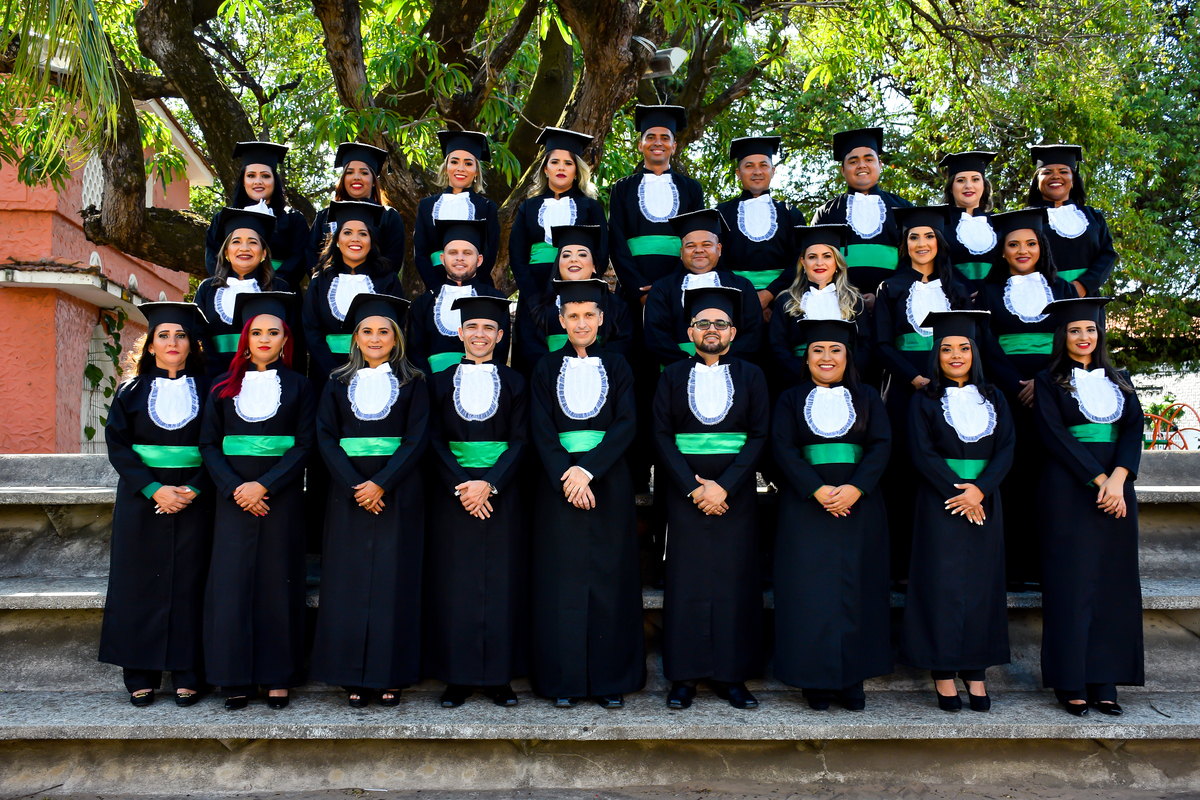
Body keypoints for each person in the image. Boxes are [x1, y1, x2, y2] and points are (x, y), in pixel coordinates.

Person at [528, 279, 644, 708]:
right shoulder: (544, 367)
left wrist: (588, 470)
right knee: (561, 580)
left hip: (607, 480)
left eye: (589, 315)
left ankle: (610, 679)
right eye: (573, 316)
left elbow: (627, 423)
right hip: (558, 483)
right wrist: (567, 473)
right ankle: (564, 680)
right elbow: (540, 427)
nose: (581, 323)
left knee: (610, 578)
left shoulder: (619, 365)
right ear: (561, 320)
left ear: (601, 319)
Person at [652, 286, 769, 710]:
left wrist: (726, 485)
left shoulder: (752, 375)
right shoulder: (671, 375)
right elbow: (661, 435)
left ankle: (732, 676)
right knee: (687, 582)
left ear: (733, 332)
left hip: (735, 493)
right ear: (690, 332)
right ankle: (684, 677)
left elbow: (759, 435)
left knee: (735, 581)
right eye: (703, 323)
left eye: (721, 323)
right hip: (685, 493)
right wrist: (694, 486)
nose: (712, 329)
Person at [310, 293, 428, 707]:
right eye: (367, 332)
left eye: (384, 332)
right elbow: (325, 436)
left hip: (398, 492)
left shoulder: (415, 382)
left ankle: (389, 674)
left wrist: (382, 483)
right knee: (349, 581)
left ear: (396, 338)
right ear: (355, 338)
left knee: (394, 582)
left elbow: (417, 438)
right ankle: (351, 675)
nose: (375, 338)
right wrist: (355, 485)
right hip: (348, 494)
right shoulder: (336, 382)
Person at [199, 291, 315, 710]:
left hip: (280, 498)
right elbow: (209, 444)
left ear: (286, 339)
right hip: (232, 499)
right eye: (257, 332)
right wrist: (236, 488)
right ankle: (234, 677)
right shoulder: (221, 387)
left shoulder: (301, 387)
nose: (265, 339)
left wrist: (264, 486)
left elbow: (304, 445)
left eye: (274, 332)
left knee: (277, 584)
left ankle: (277, 676)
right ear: (245, 338)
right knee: (232, 585)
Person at [771, 318, 892, 711]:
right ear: (806, 358)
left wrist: (856, 488)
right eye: (818, 350)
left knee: (858, 589)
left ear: (847, 356)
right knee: (810, 593)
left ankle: (852, 678)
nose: (827, 357)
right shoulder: (789, 399)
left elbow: (881, 445)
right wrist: (816, 488)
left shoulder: (868, 397)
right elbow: (782, 448)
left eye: (835, 350)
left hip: (860, 507)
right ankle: (815, 680)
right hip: (806, 507)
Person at [898, 310, 1015, 713]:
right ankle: (944, 670)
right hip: (940, 500)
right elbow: (921, 452)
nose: (955, 355)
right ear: (936, 355)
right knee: (941, 585)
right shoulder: (923, 399)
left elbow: (1006, 448)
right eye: (946, 349)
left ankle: (975, 670)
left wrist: (980, 490)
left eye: (963, 348)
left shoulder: (995, 397)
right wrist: (959, 493)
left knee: (982, 587)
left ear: (974, 353)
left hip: (985, 500)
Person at [99, 302, 213, 708]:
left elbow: (219, 445)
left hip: (196, 500)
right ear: (150, 345)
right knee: (138, 583)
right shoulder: (129, 392)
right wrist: (154, 489)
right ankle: (139, 673)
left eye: (181, 335)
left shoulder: (211, 391)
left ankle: (188, 672)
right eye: (163, 335)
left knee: (191, 583)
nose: (172, 342)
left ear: (192, 344)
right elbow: (118, 446)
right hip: (142, 500)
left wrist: (194, 488)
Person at [1034, 297, 1143, 716]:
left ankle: (1105, 679)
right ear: (1063, 336)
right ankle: (1071, 680)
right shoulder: (1048, 381)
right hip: (1068, 491)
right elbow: (1054, 435)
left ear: (1100, 334)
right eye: (1075, 330)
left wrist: (1119, 479)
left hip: (1117, 493)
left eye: (1090, 330)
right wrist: (1100, 480)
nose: (1084, 337)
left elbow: (1132, 430)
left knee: (1114, 585)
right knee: (1071, 584)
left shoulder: (1122, 380)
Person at [424, 295, 530, 708]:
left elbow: (521, 440)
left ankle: (499, 677)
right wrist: (463, 484)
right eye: (472, 327)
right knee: (456, 584)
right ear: (460, 333)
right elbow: (432, 440)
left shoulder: (517, 382)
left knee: (502, 583)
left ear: (500, 336)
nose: (479, 334)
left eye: (488, 328)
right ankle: (458, 677)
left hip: (503, 493)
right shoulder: (437, 382)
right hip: (453, 495)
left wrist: (489, 483)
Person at [872, 205, 973, 583]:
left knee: (944, 468)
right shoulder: (890, 287)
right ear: (905, 244)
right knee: (901, 473)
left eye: (929, 236)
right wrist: (914, 378)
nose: (921, 243)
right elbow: (882, 344)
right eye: (913, 237)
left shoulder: (960, 288)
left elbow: (971, 343)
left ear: (940, 242)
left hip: (952, 389)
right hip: (903, 389)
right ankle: (900, 567)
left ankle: (942, 563)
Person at [607, 105, 704, 495]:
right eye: (651, 137)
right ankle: (634, 474)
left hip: (680, 295)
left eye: (665, 137)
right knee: (637, 381)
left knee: (672, 379)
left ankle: (672, 475)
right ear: (641, 144)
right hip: (633, 298)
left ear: (674, 145)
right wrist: (639, 288)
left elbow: (695, 243)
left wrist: (665, 291)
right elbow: (617, 242)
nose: (658, 143)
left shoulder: (691, 189)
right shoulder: (622, 188)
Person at [976, 209, 1075, 590]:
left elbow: (1074, 340)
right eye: (1013, 244)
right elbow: (985, 346)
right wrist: (1016, 384)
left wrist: (1044, 381)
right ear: (1001, 251)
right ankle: (1013, 569)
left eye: (1030, 244)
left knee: (1051, 479)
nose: (1022, 251)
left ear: (1042, 247)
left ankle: (1046, 567)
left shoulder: (1063, 291)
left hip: (1054, 393)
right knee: (1013, 479)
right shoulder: (987, 294)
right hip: (1007, 395)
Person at [509, 127, 608, 374]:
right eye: (555, 162)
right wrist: (534, 299)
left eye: (568, 163)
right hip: (534, 289)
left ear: (577, 170)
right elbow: (517, 256)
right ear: (545, 168)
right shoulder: (528, 207)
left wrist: (581, 290)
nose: (561, 168)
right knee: (532, 354)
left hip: (578, 290)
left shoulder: (591, 208)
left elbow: (601, 253)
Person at [304, 200, 405, 393]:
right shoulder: (320, 281)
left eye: (363, 234)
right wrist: (334, 373)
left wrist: (372, 368)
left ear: (371, 240)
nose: (355, 239)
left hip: (376, 372)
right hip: (326, 374)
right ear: (337, 239)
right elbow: (311, 329)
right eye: (347, 232)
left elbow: (396, 326)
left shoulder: (387, 280)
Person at [644, 209, 763, 369]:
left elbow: (753, 333)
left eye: (706, 245)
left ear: (719, 249)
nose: (699, 250)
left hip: (732, 370)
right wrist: (687, 364)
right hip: (677, 371)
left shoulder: (743, 286)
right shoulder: (662, 289)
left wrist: (724, 363)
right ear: (681, 252)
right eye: (690, 246)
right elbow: (655, 335)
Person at [809, 127, 913, 305]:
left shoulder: (903, 209)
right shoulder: (826, 213)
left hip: (894, 303)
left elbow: (913, 260)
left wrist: (883, 296)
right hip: (839, 305)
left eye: (869, 159)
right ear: (843, 169)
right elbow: (816, 264)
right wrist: (847, 296)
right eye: (853, 161)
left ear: (880, 165)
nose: (862, 165)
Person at [195, 206, 293, 376]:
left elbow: (289, 338)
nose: (244, 248)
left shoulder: (279, 289)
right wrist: (218, 376)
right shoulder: (207, 289)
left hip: (266, 376)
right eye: (236, 241)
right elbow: (197, 334)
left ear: (263, 253)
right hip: (214, 377)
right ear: (226, 252)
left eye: (253, 242)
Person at [408, 219, 511, 375]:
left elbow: (500, 352)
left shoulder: (496, 299)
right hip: (431, 384)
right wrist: (433, 385)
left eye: (467, 253)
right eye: (453, 252)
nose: (460, 258)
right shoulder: (423, 303)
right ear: (442, 259)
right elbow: (415, 354)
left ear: (479, 260)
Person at [769, 224, 868, 386]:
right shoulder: (786, 300)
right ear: (803, 261)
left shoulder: (854, 300)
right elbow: (777, 347)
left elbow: (865, 345)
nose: (819, 263)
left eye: (827, 256)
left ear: (837, 261)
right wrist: (804, 377)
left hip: (846, 380)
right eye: (812, 257)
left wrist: (846, 376)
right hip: (798, 380)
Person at [524, 224, 632, 369]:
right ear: (558, 264)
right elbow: (531, 350)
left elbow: (620, 348)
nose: (573, 259)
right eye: (566, 255)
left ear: (594, 266)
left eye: (582, 254)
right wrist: (559, 373)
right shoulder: (535, 306)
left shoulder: (616, 307)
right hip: (550, 377)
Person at [715, 136, 800, 319]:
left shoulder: (791, 214)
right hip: (735, 301)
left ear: (773, 171)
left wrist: (769, 295)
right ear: (738, 173)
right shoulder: (721, 213)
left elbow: (799, 260)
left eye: (763, 165)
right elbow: (717, 260)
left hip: (783, 302)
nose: (757, 172)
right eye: (749, 166)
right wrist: (749, 298)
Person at [202, 142, 309, 283]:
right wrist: (236, 283)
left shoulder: (294, 220)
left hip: (280, 291)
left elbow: (298, 261)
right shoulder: (223, 218)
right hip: (233, 289)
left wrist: (268, 285)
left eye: (265, 176)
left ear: (275, 180)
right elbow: (213, 257)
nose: (258, 182)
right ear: (243, 180)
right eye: (251, 175)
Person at [1025, 144, 1118, 297]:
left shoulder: (1093, 217)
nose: (1055, 176)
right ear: (1037, 180)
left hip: (1087, 298)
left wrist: (1082, 286)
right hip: (1042, 298)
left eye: (1063, 171)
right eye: (1047, 172)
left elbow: (1107, 255)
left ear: (1073, 178)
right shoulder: (1025, 219)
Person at [413, 131, 501, 291]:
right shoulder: (426, 206)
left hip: (477, 287)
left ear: (476, 170)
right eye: (454, 162)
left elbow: (490, 253)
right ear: (446, 167)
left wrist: (470, 286)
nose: (460, 168)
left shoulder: (487, 207)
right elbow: (420, 253)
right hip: (436, 286)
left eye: (468, 164)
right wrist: (437, 289)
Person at [304, 142, 407, 276]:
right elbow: (311, 256)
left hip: (375, 286)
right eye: (350, 172)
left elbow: (393, 261)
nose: (356, 177)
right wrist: (326, 281)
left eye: (364, 173)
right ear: (343, 178)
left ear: (374, 181)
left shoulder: (388, 216)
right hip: (328, 285)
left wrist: (363, 282)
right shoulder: (325, 216)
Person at [940, 150, 999, 288]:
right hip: (953, 294)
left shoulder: (999, 224)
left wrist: (988, 293)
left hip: (993, 295)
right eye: (961, 180)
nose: (968, 186)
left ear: (984, 185)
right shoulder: (940, 225)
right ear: (950, 187)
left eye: (975, 179)